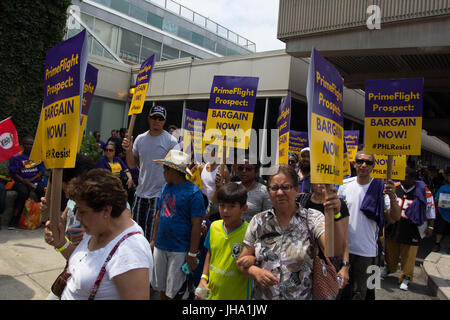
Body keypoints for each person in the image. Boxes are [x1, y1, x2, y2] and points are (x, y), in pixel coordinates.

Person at [237, 165, 346, 300]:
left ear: (296, 189)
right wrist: (255, 271)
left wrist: (335, 215)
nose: (280, 193)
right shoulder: (258, 221)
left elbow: (334, 250)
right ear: (268, 191)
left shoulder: (312, 219)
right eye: (275, 188)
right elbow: (241, 263)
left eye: (286, 187)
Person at [43, 169, 153, 300]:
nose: (78, 217)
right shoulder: (98, 228)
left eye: (82, 212)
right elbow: (84, 261)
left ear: (106, 210)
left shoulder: (130, 253)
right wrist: (61, 243)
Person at [338, 151, 401, 300]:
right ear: (354, 164)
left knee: (366, 294)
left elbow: (394, 218)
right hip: (343, 251)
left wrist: (392, 197)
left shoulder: (382, 188)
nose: (363, 165)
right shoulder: (344, 185)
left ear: (373, 166)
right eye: (360, 161)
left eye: (368, 162)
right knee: (341, 293)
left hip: (369, 253)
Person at [150, 150, 206, 300]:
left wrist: (192, 254)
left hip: (179, 249)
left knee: (174, 291)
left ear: (173, 170)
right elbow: (158, 215)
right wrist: (154, 240)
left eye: (165, 169)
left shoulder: (194, 193)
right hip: (160, 246)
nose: (163, 173)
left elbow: (196, 225)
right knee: (160, 287)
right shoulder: (165, 188)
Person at [122, 105, 178, 241]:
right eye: (154, 117)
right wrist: (128, 150)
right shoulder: (140, 139)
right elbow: (131, 164)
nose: (157, 121)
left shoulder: (171, 141)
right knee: (136, 234)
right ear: (149, 118)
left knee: (153, 236)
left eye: (160, 118)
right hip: (141, 194)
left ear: (164, 121)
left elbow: (176, 169)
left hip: (160, 195)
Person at [196, 182, 253, 300]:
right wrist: (203, 278)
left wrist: (253, 259)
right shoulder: (214, 227)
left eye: (232, 206)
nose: (226, 211)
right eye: (222, 205)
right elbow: (210, 253)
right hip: (212, 294)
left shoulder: (250, 233)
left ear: (244, 208)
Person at [383, 167, 435, 291]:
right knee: (390, 251)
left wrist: (430, 226)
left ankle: (406, 277)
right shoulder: (394, 187)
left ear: (413, 179)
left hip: (412, 229)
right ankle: (390, 268)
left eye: (407, 177)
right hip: (394, 226)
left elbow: (430, 209)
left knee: (409, 256)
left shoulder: (424, 191)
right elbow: (385, 204)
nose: (404, 179)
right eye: (403, 176)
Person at [297, 183, 350, 293]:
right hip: (302, 266)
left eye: (326, 180)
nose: (322, 183)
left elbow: (344, 238)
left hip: (328, 265)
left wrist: (345, 266)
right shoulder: (301, 201)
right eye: (318, 178)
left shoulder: (338, 205)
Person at [213, 155, 271, 223]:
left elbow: (268, 218)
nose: (244, 171)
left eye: (248, 168)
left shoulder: (264, 192)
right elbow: (214, 209)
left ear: (256, 170)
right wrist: (218, 188)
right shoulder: (232, 187)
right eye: (240, 168)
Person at [8, 136, 46, 230]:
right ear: (23, 145)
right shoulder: (17, 158)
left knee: (43, 192)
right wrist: (26, 182)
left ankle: (43, 219)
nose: (28, 146)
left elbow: (41, 171)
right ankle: (14, 221)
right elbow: (14, 173)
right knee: (23, 193)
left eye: (31, 144)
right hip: (20, 182)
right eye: (26, 144)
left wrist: (31, 180)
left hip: (35, 181)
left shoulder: (37, 157)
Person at [96, 141, 135, 205]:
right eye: (106, 150)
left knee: (131, 190)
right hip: (108, 185)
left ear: (114, 152)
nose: (108, 152)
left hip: (120, 184)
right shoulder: (102, 161)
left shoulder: (117, 159)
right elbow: (101, 176)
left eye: (110, 150)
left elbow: (126, 170)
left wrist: (130, 178)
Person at [432, 168, 450, 253]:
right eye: (448, 176)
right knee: (439, 229)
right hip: (442, 212)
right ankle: (437, 244)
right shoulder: (443, 187)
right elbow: (436, 199)